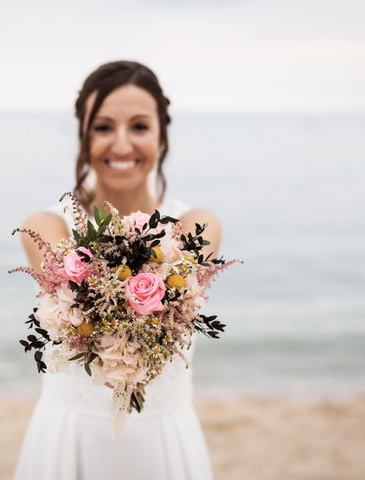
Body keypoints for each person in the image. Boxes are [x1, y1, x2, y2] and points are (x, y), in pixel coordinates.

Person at [13, 60, 221, 480]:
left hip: (163, 438)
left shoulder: (197, 225)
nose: (121, 145)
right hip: (69, 437)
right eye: (103, 127)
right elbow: (86, 290)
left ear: (162, 135)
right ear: (83, 135)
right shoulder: (45, 227)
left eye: (139, 126)